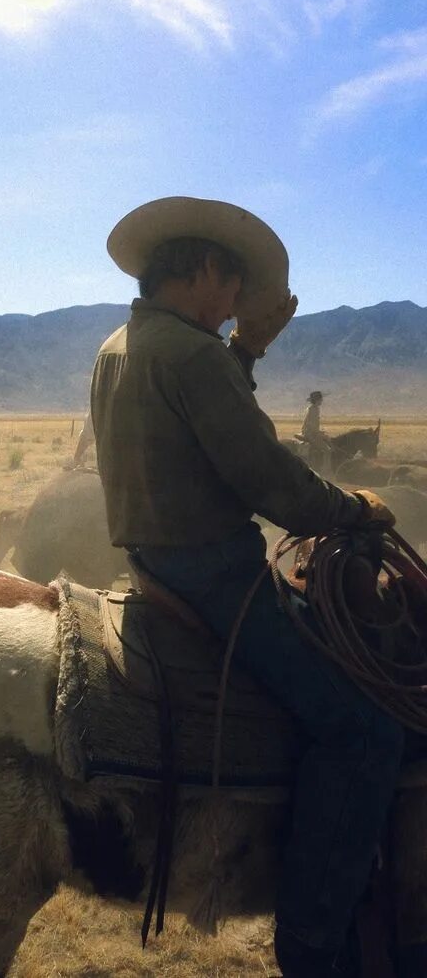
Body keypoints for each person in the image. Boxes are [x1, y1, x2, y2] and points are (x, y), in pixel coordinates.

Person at [90, 196, 409, 977]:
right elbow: (271, 480)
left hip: (154, 561)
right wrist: (353, 507)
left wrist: (246, 351)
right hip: (215, 573)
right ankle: (313, 943)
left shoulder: (123, 344)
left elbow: (193, 422)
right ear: (201, 270)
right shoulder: (193, 354)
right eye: (232, 284)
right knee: (363, 731)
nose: (237, 301)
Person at [301, 391, 331, 474]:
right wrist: (318, 432)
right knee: (327, 450)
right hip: (310, 433)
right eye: (321, 399)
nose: (322, 401)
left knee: (327, 440)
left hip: (311, 432)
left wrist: (319, 431)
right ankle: (325, 470)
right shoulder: (313, 410)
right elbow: (311, 424)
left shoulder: (314, 408)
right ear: (317, 400)